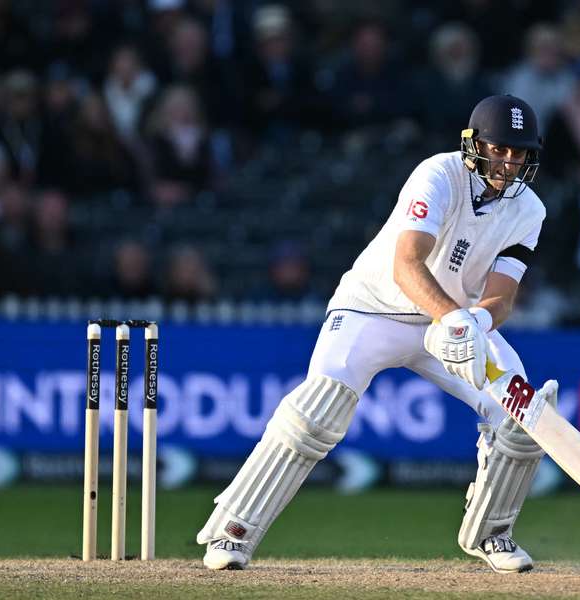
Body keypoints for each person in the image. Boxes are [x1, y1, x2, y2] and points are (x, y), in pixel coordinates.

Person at [196, 95, 558, 574]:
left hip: (451, 326)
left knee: (518, 413)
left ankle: (492, 534)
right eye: (499, 149)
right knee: (317, 411)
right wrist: (454, 319)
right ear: (474, 144)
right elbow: (407, 264)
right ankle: (233, 530)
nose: (508, 162)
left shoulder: (529, 209)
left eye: (518, 153)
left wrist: (478, 324)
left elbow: (503, 295)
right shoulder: (438, 175)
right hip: (372, 310)